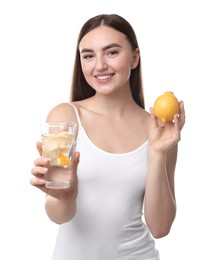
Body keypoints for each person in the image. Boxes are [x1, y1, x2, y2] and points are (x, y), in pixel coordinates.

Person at [30, 14, 185, 260]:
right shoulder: (65, 117)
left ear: (134, 57)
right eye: (89, 55)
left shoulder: (158, 130)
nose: (99, 65)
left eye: (111, 52)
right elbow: (58, 214)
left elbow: (160, 227)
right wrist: (64, 195)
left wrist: (157, 152)